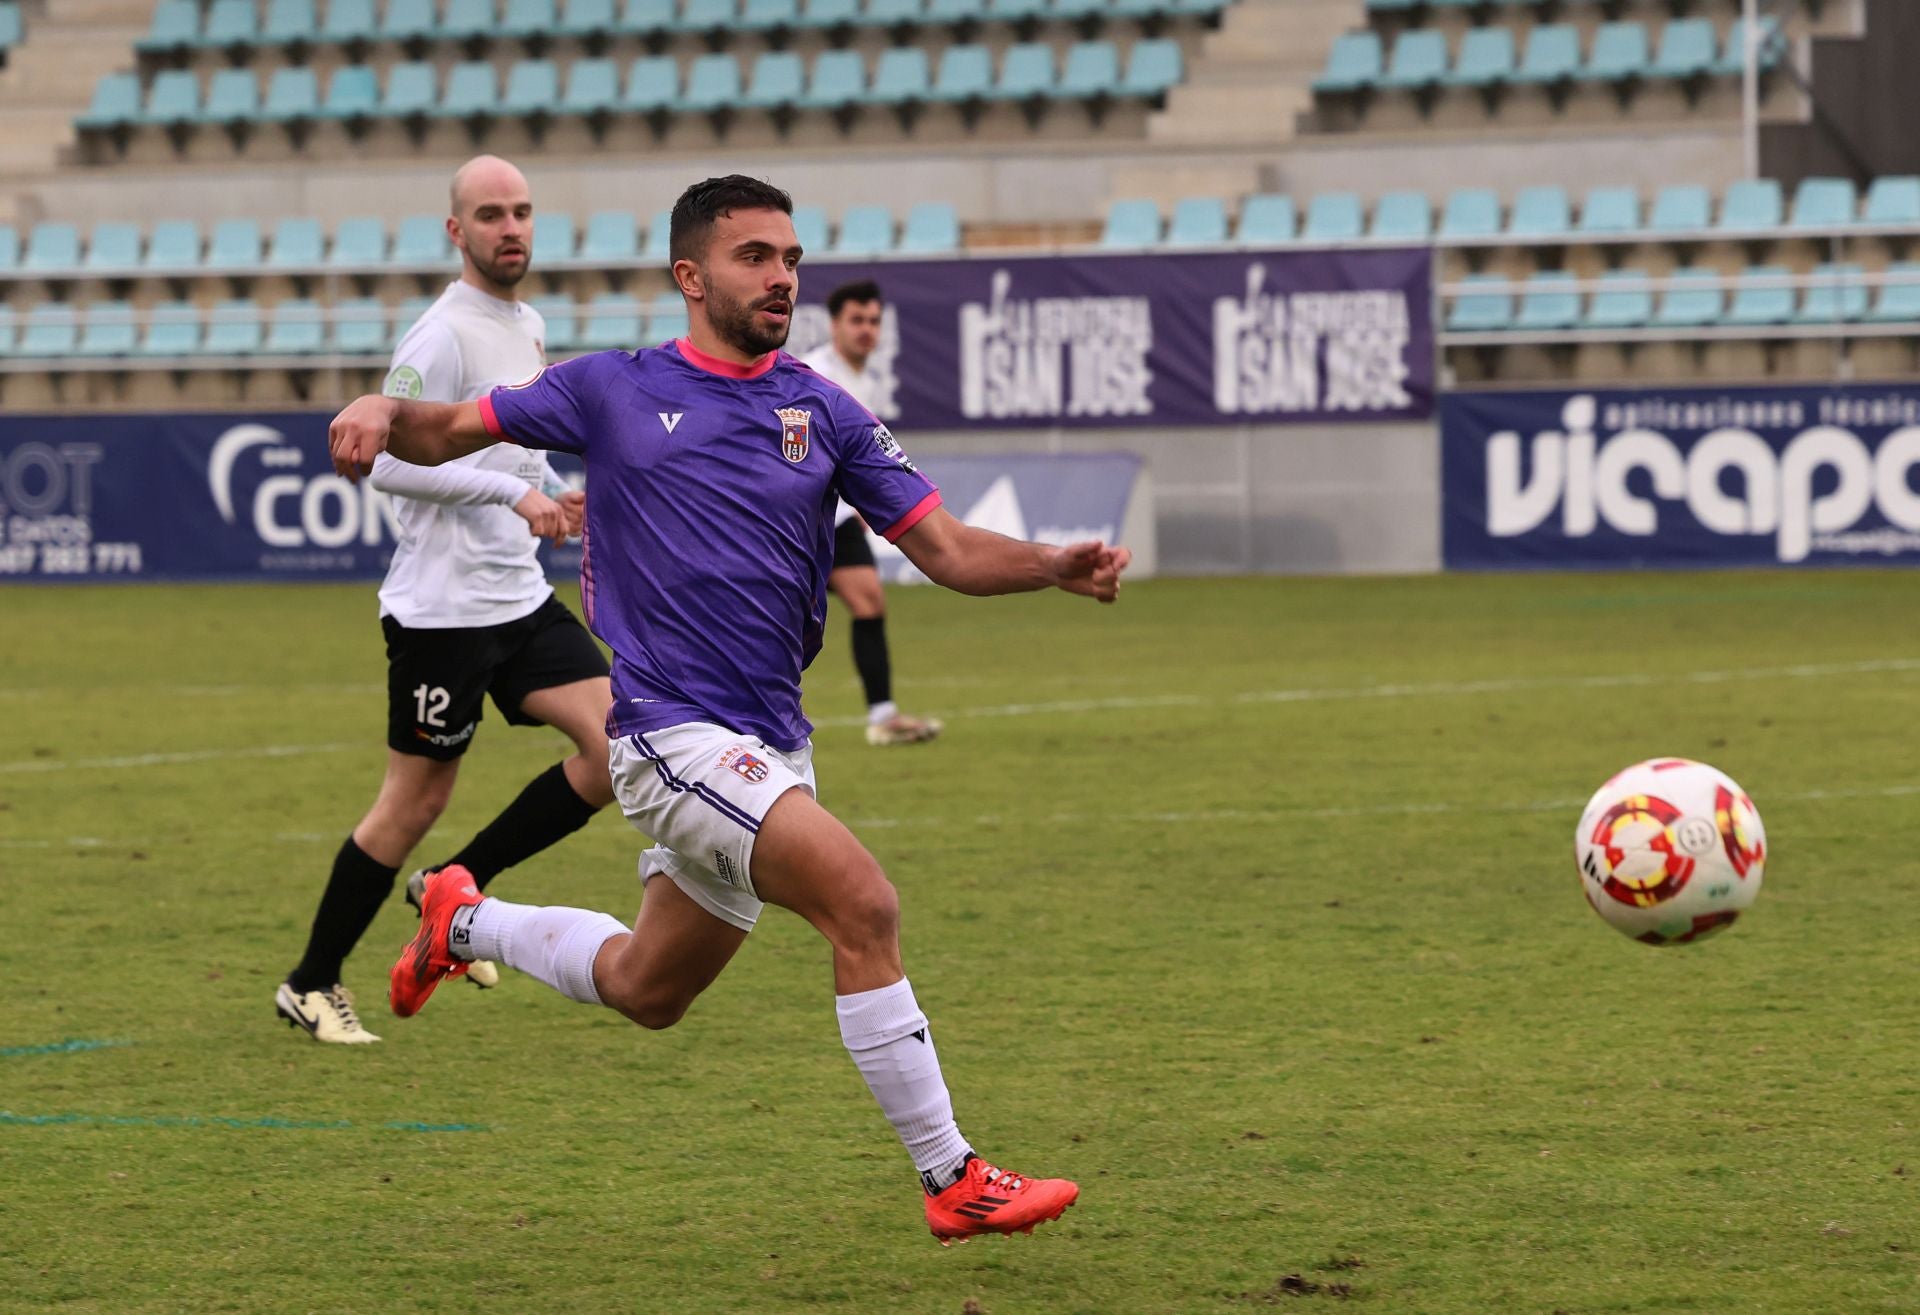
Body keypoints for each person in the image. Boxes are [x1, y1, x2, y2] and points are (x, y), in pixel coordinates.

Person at [325, 175, 1130, 1242]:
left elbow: (945, 548)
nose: (783, 277)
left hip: (772, 744)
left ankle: (461, 918)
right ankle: (952, 1175)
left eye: (791, 258)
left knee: (649, 987)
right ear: (691, 275)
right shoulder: (609, 387)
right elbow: (444, 430)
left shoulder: (826, 408)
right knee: (865, 903)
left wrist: (1049, 564)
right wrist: (383, 408)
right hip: (666, 732)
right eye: (756, 256)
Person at [276, 155, 616, 1045]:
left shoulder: (528, 321)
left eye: (524, 211)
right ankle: (310, 983)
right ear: (457, 231)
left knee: (617, 745)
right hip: (442, 614)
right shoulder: (440, 335)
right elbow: (386, 461)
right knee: (411, 802)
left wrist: (553, 491)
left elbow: (519, 437)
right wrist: (513, 497)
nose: (512, 228)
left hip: (517, 597)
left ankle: (449, 887)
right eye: (491, 214)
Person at [802, 279, 942, 747]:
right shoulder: (815, 373)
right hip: (800, 518)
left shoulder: (866, 380)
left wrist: (861, 500)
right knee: (779, 617)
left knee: (869, 603)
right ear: (834, 325)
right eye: (856, 320)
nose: (866, 330)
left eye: (873, 321)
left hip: (836, 517)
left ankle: (883, 716)